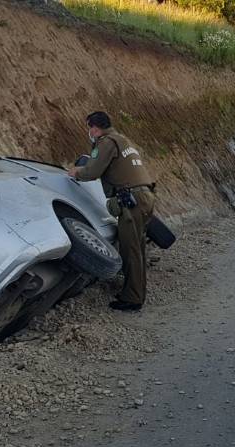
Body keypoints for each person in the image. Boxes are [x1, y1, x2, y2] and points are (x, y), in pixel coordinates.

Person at [68, 111, 156, 312]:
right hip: (145, 197)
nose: (89, 132)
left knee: (130, 250)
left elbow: (92, 171)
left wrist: (76, 172)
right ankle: (136, 292)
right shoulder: (123, 140)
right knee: (137, 249)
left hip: (131, 201)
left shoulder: (106, 142)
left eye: (89, 127)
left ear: (95, 128)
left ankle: (133, 299)